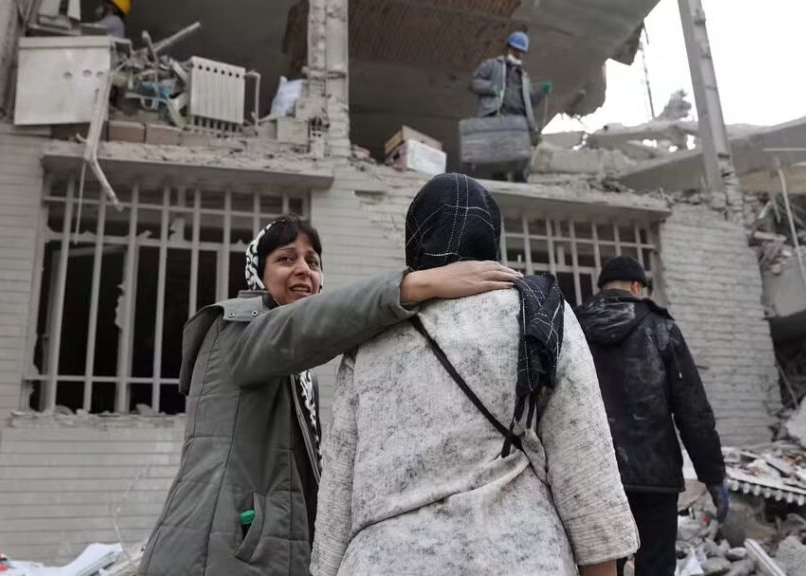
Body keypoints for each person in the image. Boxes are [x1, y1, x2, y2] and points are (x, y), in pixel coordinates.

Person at [138, 215, 521, 576]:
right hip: (214, 553)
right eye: (285, 259)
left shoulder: (299, 373)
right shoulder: (236, 324)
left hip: (260, 552)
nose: (303, 269)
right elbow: (307, 325)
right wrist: (418, 285)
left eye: (313, 261)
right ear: (257, 272)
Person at [311, 174, 638, 576]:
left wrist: (325, 568)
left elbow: (338, 481)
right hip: (518, 556)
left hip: (385, 560)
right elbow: (583, 457)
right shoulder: (537, 312)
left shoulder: (370, 336)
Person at [575, 256, 729, 576]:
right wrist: (713, 475)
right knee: (656, 566)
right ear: (636, 287)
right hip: (655, 478)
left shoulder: (570, 328)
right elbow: (693, 410)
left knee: (599, 568)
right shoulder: (661, 328)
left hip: (592, 475)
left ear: (601, 288)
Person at [469, 31, 552, 182]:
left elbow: (530, 102)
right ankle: (500, 181)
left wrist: (542, 92)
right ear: (508, 48)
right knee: (500, 157)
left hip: (519, 120)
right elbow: (474, 83)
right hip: (501, 116)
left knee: (521, 158)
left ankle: (520, 184)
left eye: (521, 52)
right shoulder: (492, 65)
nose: (518, 54)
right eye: (516, 50)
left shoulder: (524, 77)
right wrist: (492, 88)